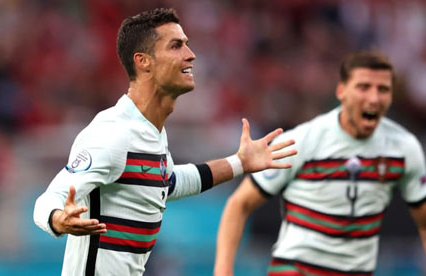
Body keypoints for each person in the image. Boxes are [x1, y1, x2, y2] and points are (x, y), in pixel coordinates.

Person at [33, 8, 297, 276]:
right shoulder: (112, 134)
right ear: (143, 61)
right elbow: (48, 199)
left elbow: (167, 182)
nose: (190, 54)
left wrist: (239, 163)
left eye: (187, 44)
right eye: (176, 46)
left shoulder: (151, 133)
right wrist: (58, 219)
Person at [214, 51, 426, 276]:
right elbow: (240, 203)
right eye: (364, 87)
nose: (374, 98)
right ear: (342, 91)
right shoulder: (302, 141)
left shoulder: (403, 148)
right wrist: (223, 271)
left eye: (383, 89)